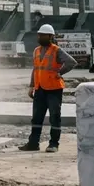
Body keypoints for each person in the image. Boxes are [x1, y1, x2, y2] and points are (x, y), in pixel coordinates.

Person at [21, 24, 75, 152]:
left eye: (42, 35)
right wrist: (31, 86)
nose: (39, 37)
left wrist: (60, 72)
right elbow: (35, 69)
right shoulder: (36, 51)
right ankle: (33, 144)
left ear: (50, 36)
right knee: (36, 118)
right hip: (40, 88)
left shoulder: (57, 50)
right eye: (39, 35)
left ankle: (54, 144)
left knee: (54, 117)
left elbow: (71, 62)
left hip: (54, 89)